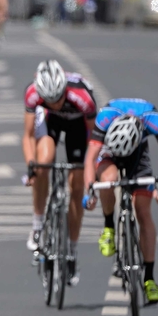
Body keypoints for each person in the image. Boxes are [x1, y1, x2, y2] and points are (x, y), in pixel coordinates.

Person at [83, 100, 158, 304]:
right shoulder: (105, 117)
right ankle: (109, 226)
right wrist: (89, 191)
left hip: (138, 152)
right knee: (108, 180)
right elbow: (90, 159)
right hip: (109, 151)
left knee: (143, 212)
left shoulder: (152, 119)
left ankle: (149, 279)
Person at [22, 60, 96, 284]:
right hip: (50, 123)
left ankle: (72, 251)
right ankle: (37, 225)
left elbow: (95, 140)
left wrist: (91, 171)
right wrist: (31, 165)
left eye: (58, 99)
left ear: (65, 90)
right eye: (49, 100)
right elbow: (28, 136)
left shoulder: (83, 98)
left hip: (78, 125)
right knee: (43, 163)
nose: (55, 104)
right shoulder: (33, 94)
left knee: (76, 183)